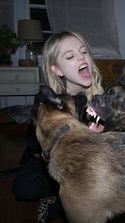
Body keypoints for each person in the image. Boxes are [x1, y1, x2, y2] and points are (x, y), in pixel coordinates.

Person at [12, 31, 104, 222]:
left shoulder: (102, 97)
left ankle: (65, 197)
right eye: (70, 56)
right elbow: (36, 147)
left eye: (83, 52)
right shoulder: (46, 101)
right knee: (23, 187)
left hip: (85, 159)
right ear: (57, 70)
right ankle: (63, 195)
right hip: (49, 159)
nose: (81, 58)